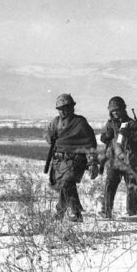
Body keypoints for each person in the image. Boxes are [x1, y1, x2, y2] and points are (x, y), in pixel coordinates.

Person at [45, 93, 99, 222]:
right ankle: (60, 212)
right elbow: (48, 134)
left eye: (67, 107)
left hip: (75, 161)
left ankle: (76, 213)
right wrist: (49, 137)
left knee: (67, 183)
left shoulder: (80, 122)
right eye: (61, 108)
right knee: (64, 186)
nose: (64, 111)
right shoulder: (55, 122)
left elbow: (89, 143)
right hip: (59, 162)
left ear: (72, 107)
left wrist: (92, 163)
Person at [98, 96, 137, 218]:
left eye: (117, 110)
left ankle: (132, 213)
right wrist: (107, 135)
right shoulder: (110, 124)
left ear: (122, 109)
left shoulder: (132, 124)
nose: (115, 112)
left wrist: (131, 134)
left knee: (131, 186)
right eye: (112, 111)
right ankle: (106, 211)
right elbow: (103, 138)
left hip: (129, 161)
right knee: (109, 184)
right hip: (114, 160)